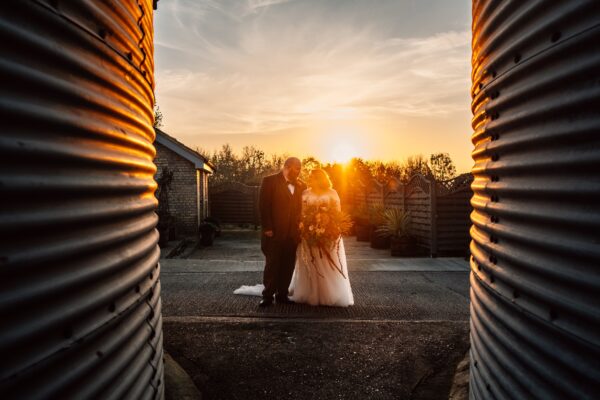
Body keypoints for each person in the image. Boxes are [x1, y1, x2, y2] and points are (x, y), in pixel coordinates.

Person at [289, 169, 354, 307]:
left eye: (313, 177)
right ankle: (309, 293)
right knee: (311, 263)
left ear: (321, 178)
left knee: (326, 263)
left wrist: (330, 227)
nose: (310, 179)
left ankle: (330, 294)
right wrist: (305, 227)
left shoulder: (332, 193)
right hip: (309, 233)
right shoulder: (306, 193)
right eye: (310, 177)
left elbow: (337, 213)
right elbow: (303, 213)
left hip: (328, 234)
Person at [257, 157, 306, 307]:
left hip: (293, 234)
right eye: (296, 168)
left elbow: (303, 209)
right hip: (274, 233)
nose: (298, 172)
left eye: (299, 169)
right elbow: (263, 206)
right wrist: (268, 228)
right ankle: (267, 296)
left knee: (288, 265)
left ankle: (282, 295)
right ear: (287, 167)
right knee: (272, 265)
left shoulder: (301, 185)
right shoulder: (269, 181)